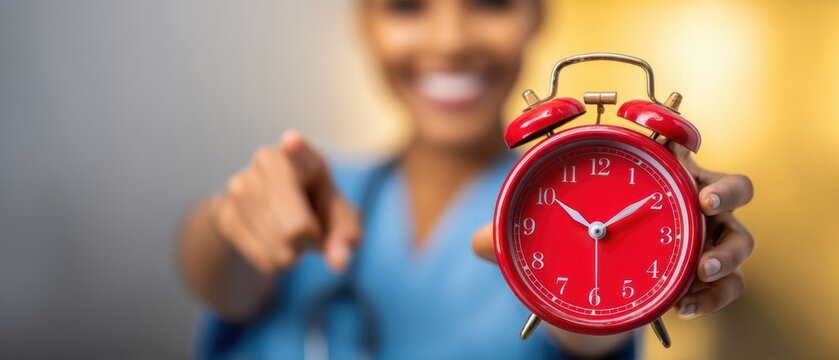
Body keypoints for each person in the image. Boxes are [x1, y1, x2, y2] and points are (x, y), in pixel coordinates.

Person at [178, 0, 755, 358]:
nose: (450, 40)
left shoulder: (584, 202)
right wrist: (230, 223)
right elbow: (215, 276)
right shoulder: (318, 191)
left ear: (537, 12)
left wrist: (670, 226)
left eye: (490, 1)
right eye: (407, 5)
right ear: (365, 20)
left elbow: (591, 333)